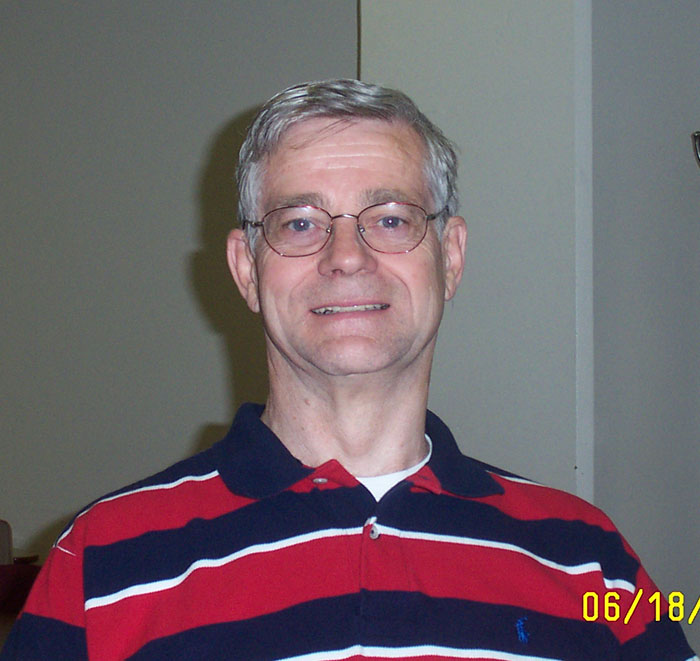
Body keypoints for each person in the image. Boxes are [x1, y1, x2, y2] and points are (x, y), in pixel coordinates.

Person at [2, 80, 696, 660]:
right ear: (246, 269)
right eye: (300, 223)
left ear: (450, 258)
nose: (346, 257)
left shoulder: (593, 561)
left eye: (390, 219)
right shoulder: (99, 563)